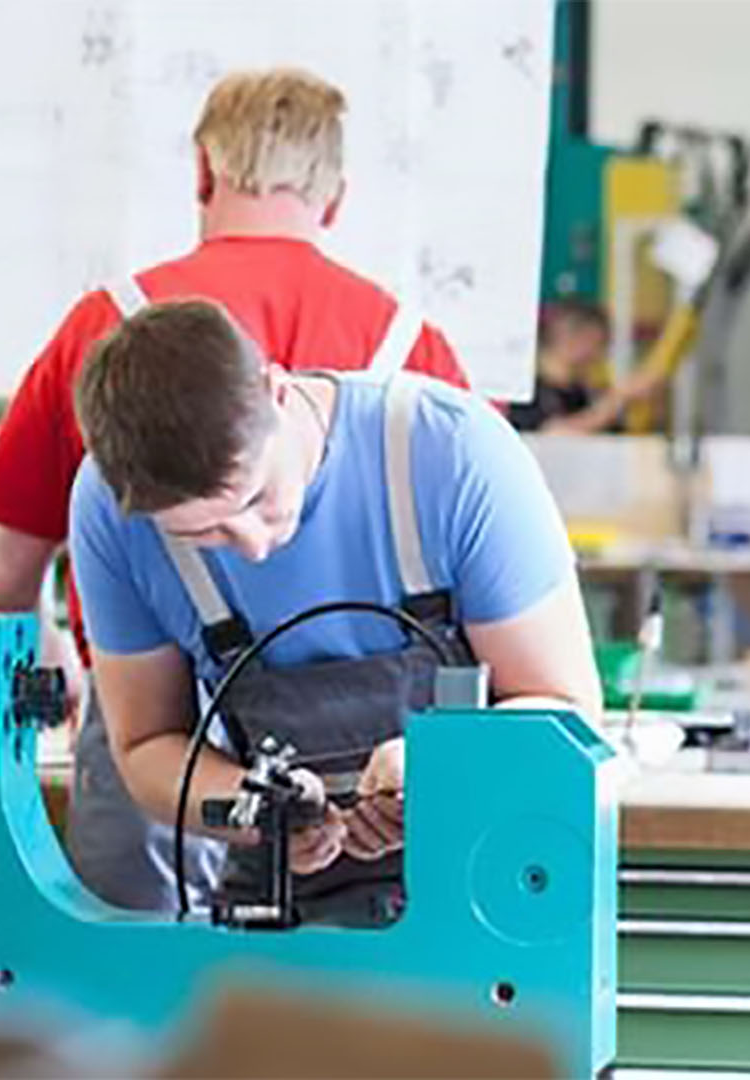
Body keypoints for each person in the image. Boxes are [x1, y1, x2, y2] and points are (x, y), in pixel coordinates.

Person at [0, 68, 471, 910]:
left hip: (154, 732)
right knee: (377, 1006)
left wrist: (52, 648)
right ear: (336, 199)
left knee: (135, 1006)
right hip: (382, 755)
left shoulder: (106, 327)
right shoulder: (412, 350)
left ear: (202, 172)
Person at [70, 300, 601, 925]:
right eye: (204, 534)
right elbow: (146, 745)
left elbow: (568, 714)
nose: (255, 544)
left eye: (257, 497)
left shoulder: (450, 454)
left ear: (277, 392)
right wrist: (263, 812)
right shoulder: (110, 515)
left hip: (491, 888)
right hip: (283, 893)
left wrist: (444, 764)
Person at [505, 299, 665, 434]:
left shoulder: (583, 393)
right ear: (574, 338)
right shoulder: (525, 392)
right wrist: (618, 398)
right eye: (599, 343)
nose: (600, 354)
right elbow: (553, 434)